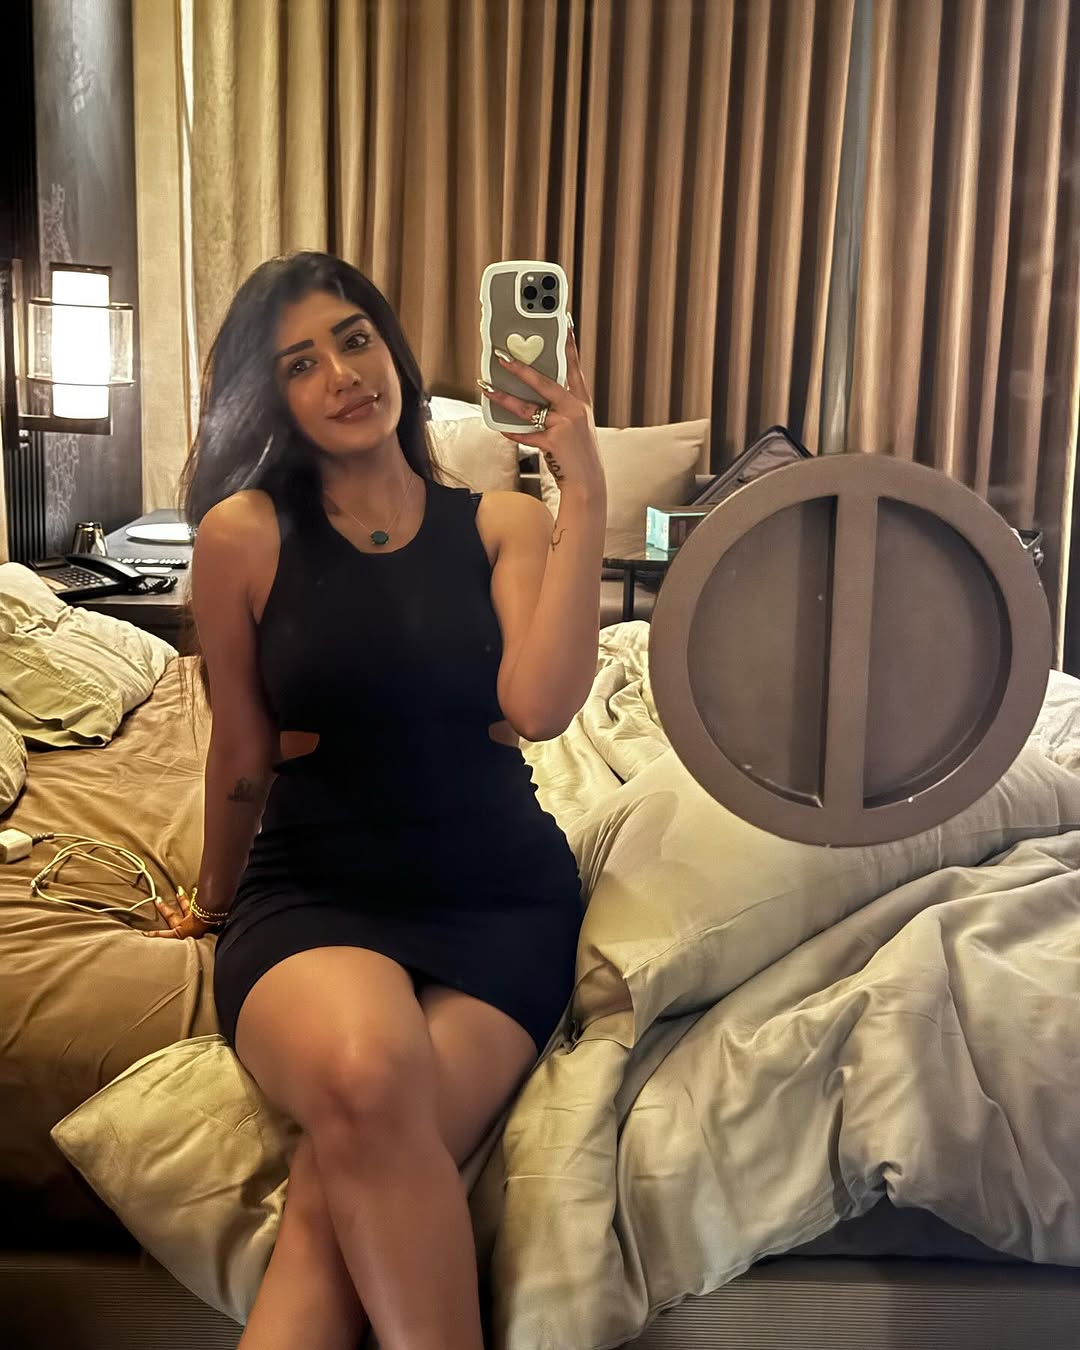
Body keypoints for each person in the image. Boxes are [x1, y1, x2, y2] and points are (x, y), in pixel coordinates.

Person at [145, 251, 607, 1350]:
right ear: (273, 398)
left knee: (338, 1179)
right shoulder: (241, 535)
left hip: (499, 901)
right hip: (319, 891)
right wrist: (211, 902)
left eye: (354, 341)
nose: (343, 375)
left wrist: (582, 486)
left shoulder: (502, 522)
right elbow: (242, 751)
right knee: (366, 1072)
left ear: (392, 350)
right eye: (300, 364)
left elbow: (539, 707)